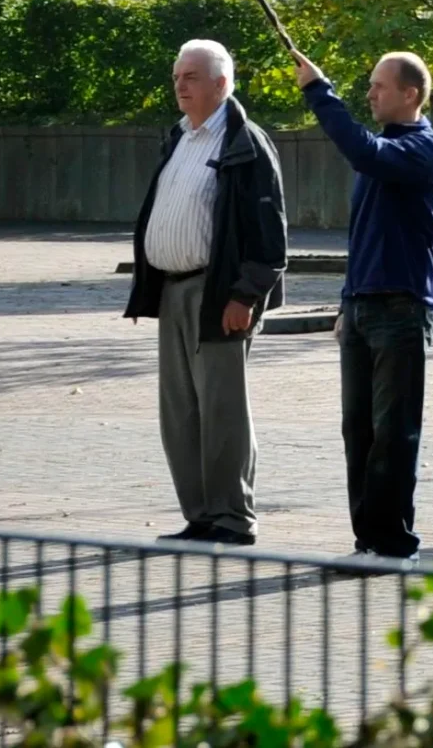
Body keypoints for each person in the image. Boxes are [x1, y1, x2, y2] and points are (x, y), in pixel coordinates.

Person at [123, 39, 288, 546]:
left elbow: (269, 232)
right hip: (173, 292)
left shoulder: (245, 144)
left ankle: (233, 518)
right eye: (176, 76)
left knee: (222, 410)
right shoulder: (178, 138)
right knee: (180, 411)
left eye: (191, 76)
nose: (180, 85)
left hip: (218, 295)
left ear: (221, 84)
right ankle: (200, 516)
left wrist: (246, 296)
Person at [294, 47, 433, 560]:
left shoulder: (423, 150)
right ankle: (368, 542)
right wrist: (346, 302)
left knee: (394, 433)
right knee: (357, 430)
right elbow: (363, 237)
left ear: (411, 94)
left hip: (403, 310)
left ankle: (395, 544)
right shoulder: (382, 151)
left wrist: (319, 91)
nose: (370, 93)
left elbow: (361, 151)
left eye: (380, 86)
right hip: (361, 308)